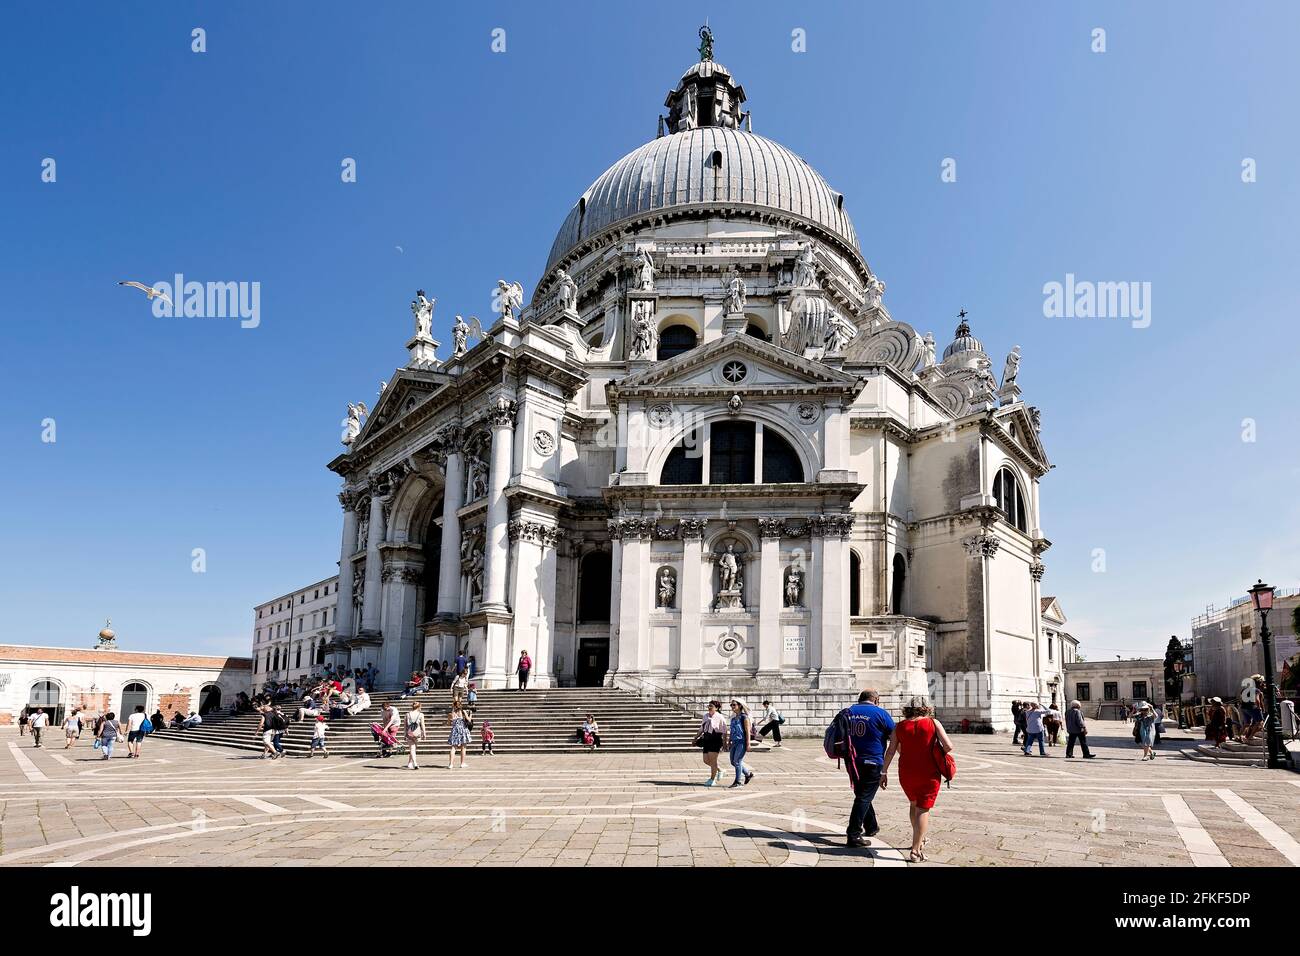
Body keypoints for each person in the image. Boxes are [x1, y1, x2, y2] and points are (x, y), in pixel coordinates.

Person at [882, 697, 953, 863]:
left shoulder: (899, 726)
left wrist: (883, 772)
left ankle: (918, 838)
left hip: (906, 771)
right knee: (923, 808)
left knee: (914, 804)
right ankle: (915, 850)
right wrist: (934, 748)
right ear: (926, 708)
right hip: (928, 771)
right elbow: (949, 746)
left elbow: (891, 751)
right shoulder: (933, 723)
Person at [839, 689, 895, 847]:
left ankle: (871, 826)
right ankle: (853, 834)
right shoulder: (881, 714)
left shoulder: (848, 712)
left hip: (851, 762)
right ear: (876, 700)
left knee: (862, 794)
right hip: (873, 761)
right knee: (863, 797)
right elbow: (894, 738)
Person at [697, 701, 727, 786]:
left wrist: (725, 743)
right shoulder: (706, 716)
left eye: (711, 706)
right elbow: (701, 728)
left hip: (715, 739)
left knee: (713, 761)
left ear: (716, 708)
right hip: (706, 739)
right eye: (709, 706)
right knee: (706, 760)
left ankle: (712, 780)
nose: (709, 707)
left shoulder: (720, 717)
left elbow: (724, 731)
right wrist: (695, 738)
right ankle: (720, 770)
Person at [726, 699, 754, 789]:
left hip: (742, 742)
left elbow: (747, 731)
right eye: (731, 705)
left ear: (740, 706)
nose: (732, 707)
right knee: (733, 762)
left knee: (737, 761)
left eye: (734, 705)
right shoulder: (733, 718)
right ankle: (747, 774)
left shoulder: (744, 717)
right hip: (734, 742)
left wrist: (748, 743)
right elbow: (731, 730)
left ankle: (738, 782)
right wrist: (729, 741)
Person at [447, 702, 471, 769]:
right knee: (463, 747)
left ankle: (451, 764)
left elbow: (449, 724)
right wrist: (470, 714)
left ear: (454, 706)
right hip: (463, 730)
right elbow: (469, 720)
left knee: (453, 748)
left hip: (455, 730)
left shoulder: (451, 714)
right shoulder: (463, 712)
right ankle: (462, 763)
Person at [405, 702, 426, 770]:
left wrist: (405, 734)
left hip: (410, 733)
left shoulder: (407, 714)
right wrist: (424, 733)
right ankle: (415, 763)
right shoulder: (421, 714)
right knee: (413, 749)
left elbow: (405, 726)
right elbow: (422, 724)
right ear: (419, 707)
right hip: (417, 733)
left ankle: (409, 763)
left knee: (412, 749)